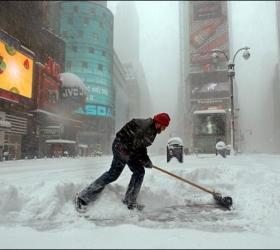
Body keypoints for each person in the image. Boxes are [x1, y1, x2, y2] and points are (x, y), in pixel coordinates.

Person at [75, 112, 171, 212]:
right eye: (164, 126)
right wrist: (145, 161)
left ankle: (130, 201)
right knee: (113, 174)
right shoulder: (146, 126)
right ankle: (83, 197)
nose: (164, 129)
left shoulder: (152, 129)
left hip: (129, 150)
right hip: (121, 147)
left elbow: (141, 147)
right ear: (159, 123)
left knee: (139, 171)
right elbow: (137, 145)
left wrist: (146, 161)